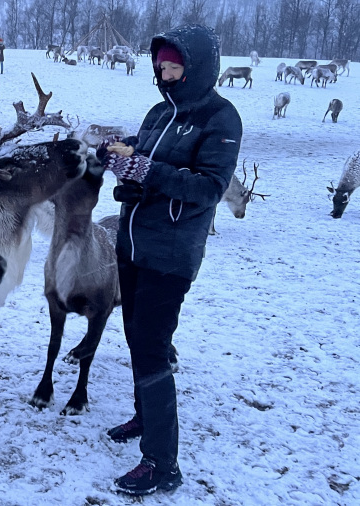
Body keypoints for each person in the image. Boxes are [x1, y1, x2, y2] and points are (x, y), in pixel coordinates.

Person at [96, 24, 242, 496]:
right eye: (161, 64)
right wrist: (121, 160)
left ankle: (162, 464)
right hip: (133, 245)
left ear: (197, 67)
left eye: (174, 64)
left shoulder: (221, 118)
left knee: (153, 346)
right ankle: (145, 415)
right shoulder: (160, 111)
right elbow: (144, 158)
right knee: (135, 336)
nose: (165, 72)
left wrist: (146, 170)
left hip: (171, 255)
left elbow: (207, 189)